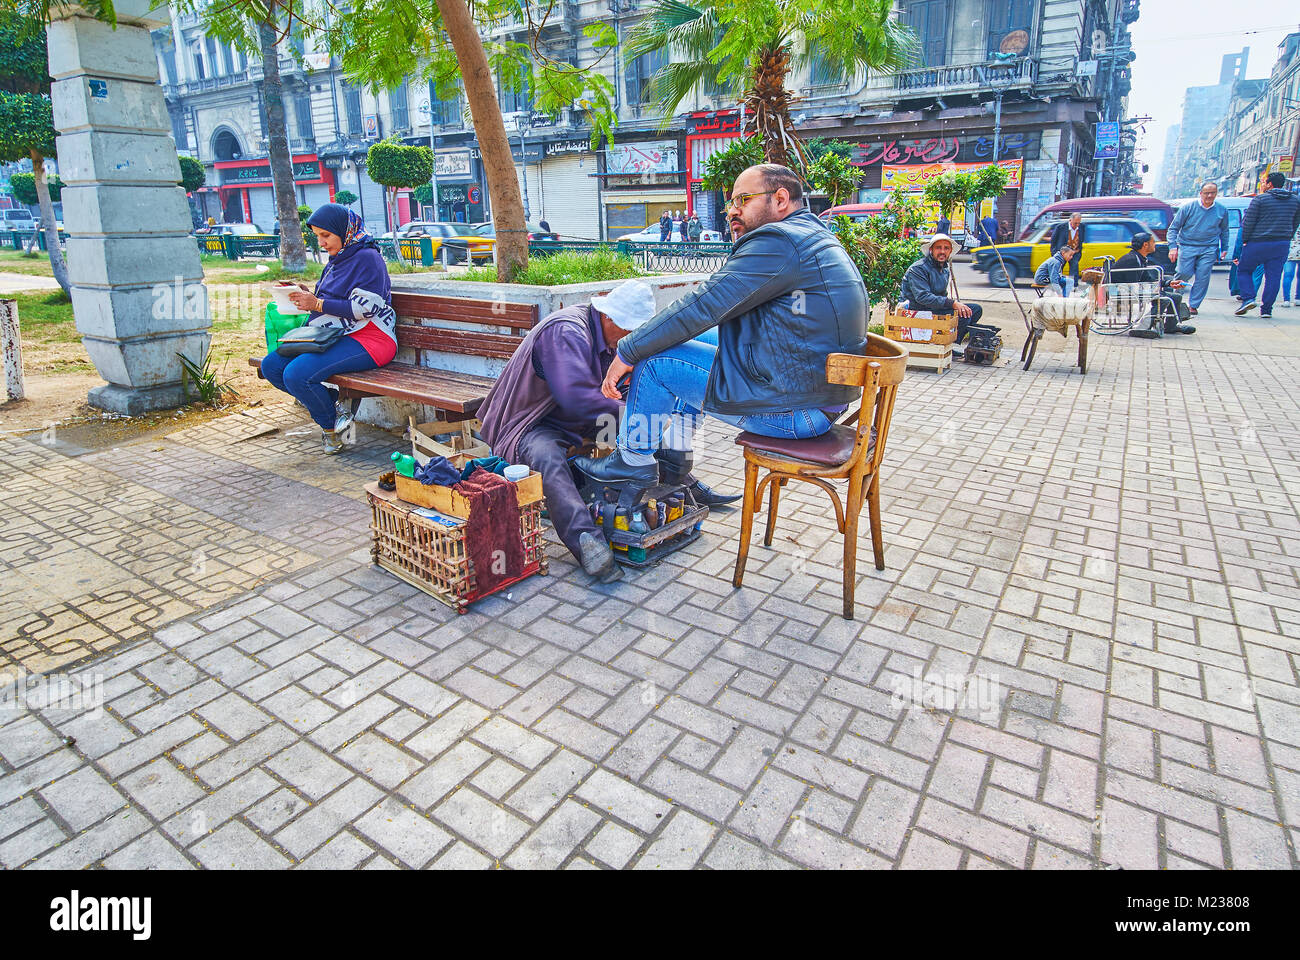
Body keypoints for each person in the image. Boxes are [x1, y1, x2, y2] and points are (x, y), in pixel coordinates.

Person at [568, 163, 868, 498]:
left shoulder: (779, 241)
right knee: (689, 340)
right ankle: (675, 455)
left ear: (781, 199)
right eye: (731, 203)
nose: (733, 211)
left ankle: (632, 461)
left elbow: (704, 305)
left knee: (655, 361)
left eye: (743, 200)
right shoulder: (811, 235)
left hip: (795, 413)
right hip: (813, 397)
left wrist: (628, 350)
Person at [477, 280, 681, 584]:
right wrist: (636, 414)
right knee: (546, 457)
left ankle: (685, 483)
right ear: (609, 317)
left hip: (577, 419)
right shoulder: (566, 332)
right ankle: (587, 540)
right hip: (531, 422)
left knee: (647, 431)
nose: (631, 340)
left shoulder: (611, 337)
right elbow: (577, 399)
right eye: (629, 331)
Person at [259, 204, 396, 455]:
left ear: (344, 231)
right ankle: (336, 411)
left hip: (371, 337)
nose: (321, 242)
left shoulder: (367, 258)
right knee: (271, 366)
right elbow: (330, 298)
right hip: (335, 333)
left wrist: (318, 303)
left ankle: (331, 430)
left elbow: (367, 309)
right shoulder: (339, 257)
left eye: (326, 235)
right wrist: (306, 295)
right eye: (317, 236)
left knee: (297, 375)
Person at [899, 233, 982, 357]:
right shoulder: (918, 269)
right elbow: (922, 297)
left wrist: (955, 305)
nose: (942, 251)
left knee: (974, 310)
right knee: (963, 316)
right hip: (917, 310)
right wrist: (952, 304)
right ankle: (943, 344)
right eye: (938, 248)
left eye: (946, 248)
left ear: (950, 252)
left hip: (932, 308)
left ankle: (947, 344)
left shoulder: (944, 270)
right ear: (931, 250)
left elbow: (942, 295)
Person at [1235, 173, 1300, 318]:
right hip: (1281, 243)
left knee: (1244, 270)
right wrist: (1287, 236)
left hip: (1257, 242)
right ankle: (1266, 310)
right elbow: (1295, 222)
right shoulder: (1295, 201)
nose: (1262, 184)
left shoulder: (1260, 199)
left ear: (1270, 184)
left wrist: (1245, 240)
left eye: (1264, 182)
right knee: (1274, 276)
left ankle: (1248, 298)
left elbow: (1248, 222)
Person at [1112, 232, 1193, 337]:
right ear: (1145, 245)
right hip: (1122, 291)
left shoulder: (1140, 258)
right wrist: (1155, 291)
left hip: (1132, 289)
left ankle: (1171, 326)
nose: (1155, 244)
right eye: (1153, 242)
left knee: (1176, 297)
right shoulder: (1132, 260)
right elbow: (1133, 283)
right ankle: (1142, 327)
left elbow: (1149, 279)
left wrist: (1169, 283)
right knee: (1162, 299)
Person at [1168, 181, 1230, 317]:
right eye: (1206, 193)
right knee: (1183, 273)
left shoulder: (1221, 210)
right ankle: (1174, 300)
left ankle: (1194, 305)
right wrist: (1172, 247)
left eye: (1212, 193)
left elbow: (1224, 230)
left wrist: (1224, 247)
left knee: (1203, 277)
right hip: (1187, 245)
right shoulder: (1188, 208)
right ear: (1201, 193)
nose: (1209, 196)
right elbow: (1173, 228)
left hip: (1209, 247)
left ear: (1216, 194)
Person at [1050, 213, 1084, 286]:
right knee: (1059, 269)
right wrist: (1054, 253)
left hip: (1074, 253)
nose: (1077, 225)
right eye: (1075, 223)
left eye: (1078, 223)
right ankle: (1057, 284)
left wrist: (1078, 252)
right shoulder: (1060, 227)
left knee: (1074, 269)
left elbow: (1081, 240)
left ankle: (1072, 286)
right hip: (1062, 253)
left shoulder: (1081, 227)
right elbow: (1053, 240)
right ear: (1070, 220)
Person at [1281, 224, 1300, 307]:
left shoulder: (1289, 220)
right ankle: (1298, 299)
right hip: (1290, 252)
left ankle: (1286, 300)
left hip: (1289, 252)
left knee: (1288, 275)